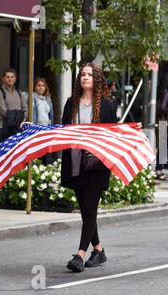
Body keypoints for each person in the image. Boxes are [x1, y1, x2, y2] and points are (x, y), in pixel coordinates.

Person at [61, 62, 118, 272]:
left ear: (97, 79)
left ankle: (80, 255)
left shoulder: (106, 105)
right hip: (75, 163)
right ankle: (99, 250)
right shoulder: (71, 104)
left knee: (89, 207)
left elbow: (113, 136)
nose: (85, 77)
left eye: (89, 75)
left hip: (97, 164)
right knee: (86, 211)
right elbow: (62, 132)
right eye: (82, 74)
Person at [0, 67, 27, 141]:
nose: (10, 79)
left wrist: (23, 120)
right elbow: (3, 111)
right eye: (7, 77)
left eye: (12, 77)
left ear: (15, 79)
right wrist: (18, 118)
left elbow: (25, 108)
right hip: (4, 128)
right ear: (3, 79)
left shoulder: (19, 92)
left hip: (18, 128)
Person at [33, 77, 55, 165]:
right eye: (38, 85)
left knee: (46, 153)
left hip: (47, 129)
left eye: (43, 86)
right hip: (37, 130)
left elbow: (51, 116)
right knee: (37, 154)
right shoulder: (32, 97)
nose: (41, 87)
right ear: (35, 87)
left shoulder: (48, 99)